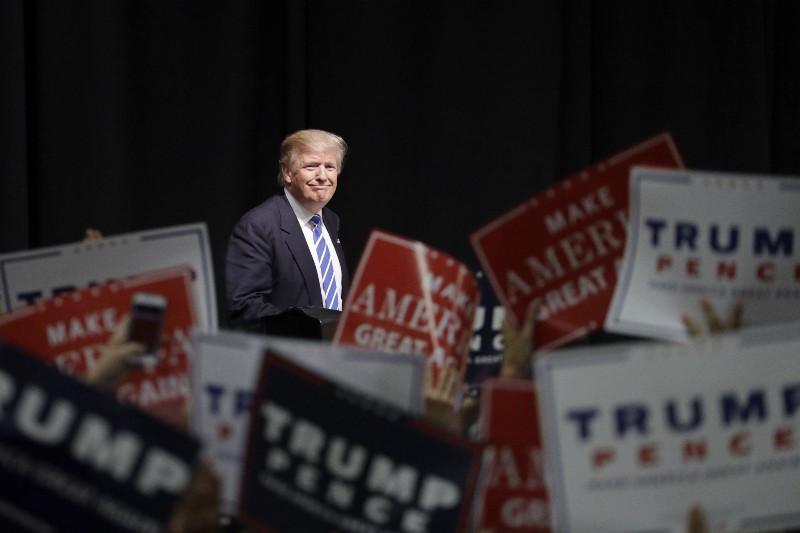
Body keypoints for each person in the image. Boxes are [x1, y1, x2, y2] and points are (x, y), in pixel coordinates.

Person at [225, 129, 350, 329]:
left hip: (334, 355)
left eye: (330, 167)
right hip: (288, 355)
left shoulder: (331, 221)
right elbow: (245, 309)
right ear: (287, 172)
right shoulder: (258, 226)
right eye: (311, 166)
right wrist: (314, 331)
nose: (322, 176)